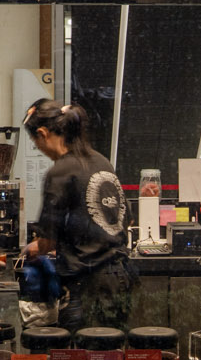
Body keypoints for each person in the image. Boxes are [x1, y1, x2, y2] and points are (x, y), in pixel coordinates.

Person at [21, 100, 131, 337]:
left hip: (87, 285)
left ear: (43, 134)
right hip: (119, 278)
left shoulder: (60, 171)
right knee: (110, 354)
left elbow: (46, 242)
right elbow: (124, 217)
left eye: (36, 143)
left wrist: (31, 249)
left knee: (82, 356)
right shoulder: (102, 161)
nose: (39, 149)